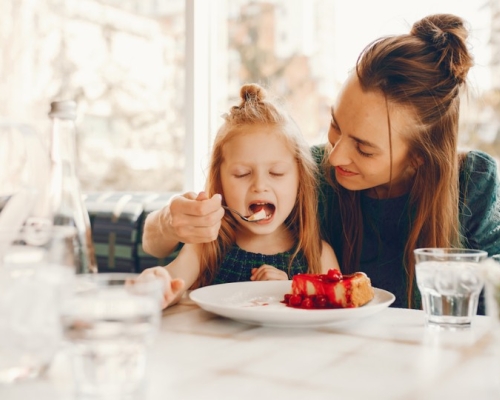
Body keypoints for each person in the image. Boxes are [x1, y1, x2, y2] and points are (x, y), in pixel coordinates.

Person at [142, 14, 500, 309]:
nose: (336, 155)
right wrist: (170, 221)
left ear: (419, 157)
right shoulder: (308, 172)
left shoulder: (474, 182)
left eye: (364, 148)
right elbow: (157, 244)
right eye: (335, 125)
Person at [141, 83, 339, 308]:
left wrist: (289, 292)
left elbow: (335, 310)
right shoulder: (206, 245)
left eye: (276, 173)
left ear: (300, 181)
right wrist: (157, 283)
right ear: (220, 182)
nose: (260, 185)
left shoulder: (318, 254)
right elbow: (173, 283)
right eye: (242, 174)